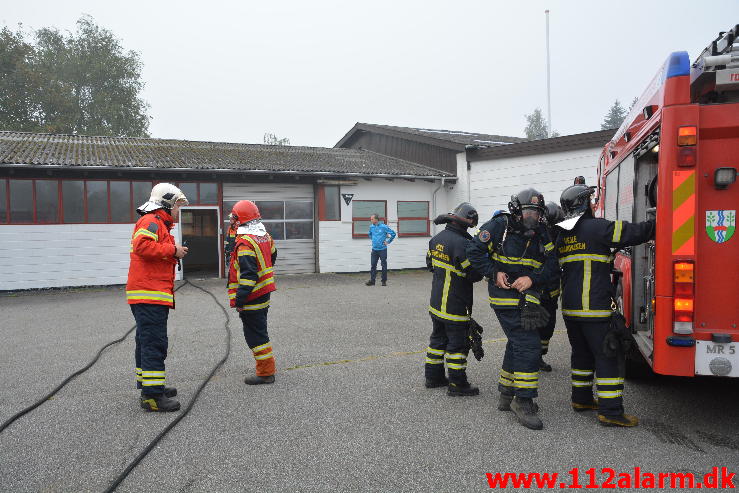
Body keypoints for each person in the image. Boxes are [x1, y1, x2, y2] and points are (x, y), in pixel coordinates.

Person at [556, 184, 655, 427]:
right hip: (594, 308)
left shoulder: (561, 234)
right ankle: (610, 412)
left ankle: (581, 399)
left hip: (570, 309)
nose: (592, 203)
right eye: (589, 199)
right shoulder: (596, 228)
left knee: (581, 354)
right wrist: (661, 221)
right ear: (582, 204)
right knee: (608, 355)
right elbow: (633, 233)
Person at [466, 189, 559, 430]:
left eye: (536, 213)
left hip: (528, 295)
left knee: (516, 342)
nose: (532, 217)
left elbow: (552, 265)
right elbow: (474, 251)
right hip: (504, 297)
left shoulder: (543, 232)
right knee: (528, 344)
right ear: (517, 210)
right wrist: (493, 272)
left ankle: (506, 395)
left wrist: (533, 279)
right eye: (528, 211)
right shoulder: (500, 225)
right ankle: (523, 400)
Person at [127, 183, 189, 412]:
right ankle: (152, 397)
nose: (178, 211)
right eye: (177, 206)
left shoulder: (158, 223)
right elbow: (142, 246)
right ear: (167, 203)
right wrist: (173, 251)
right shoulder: (151, 221)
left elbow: (151, 250)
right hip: (149, 294)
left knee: (146, 341)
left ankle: (151, 386)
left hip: (149, 293)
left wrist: (174, 250)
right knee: (154, 343)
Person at [425, 203, 484, 396]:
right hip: (456, 305)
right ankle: (458, 384)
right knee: (457, 346)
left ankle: (433, 378)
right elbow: (474, 274)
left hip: (436, 304)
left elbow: (430, 265)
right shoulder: (464, 245)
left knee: (437, 341)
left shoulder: (436, 239)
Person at [227, 200, 278, 385]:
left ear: (240, 219)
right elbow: (272, 256)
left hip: (253, 296)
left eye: (233, 217)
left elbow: (248, 276)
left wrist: (239, 301)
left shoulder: (245, 243)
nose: (231, 220)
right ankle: (267, 368)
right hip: (264, 292)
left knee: (256, 335)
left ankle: (265, 373)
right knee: (260, 330)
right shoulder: (264, 235)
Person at [538, 201, 565, 372]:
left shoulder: (560, 235)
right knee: (533, 325)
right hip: (537, 290)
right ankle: (533, 357)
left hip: (552, 292)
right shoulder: (537, 235)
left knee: (548, 327)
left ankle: (539, 354)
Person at [366, 213, 396, 286]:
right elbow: (370, 234)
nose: (371, 220)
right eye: (371, 219)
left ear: (376, 219)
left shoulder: (383, 227)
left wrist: (388, 242)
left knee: (383, 265)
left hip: (382, 249)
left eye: (372, 219)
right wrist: (374, 240)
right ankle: (372, 281)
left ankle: (383, 281)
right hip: (374, 250)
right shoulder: (371, 227)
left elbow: (393, 234)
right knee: (373, 265)